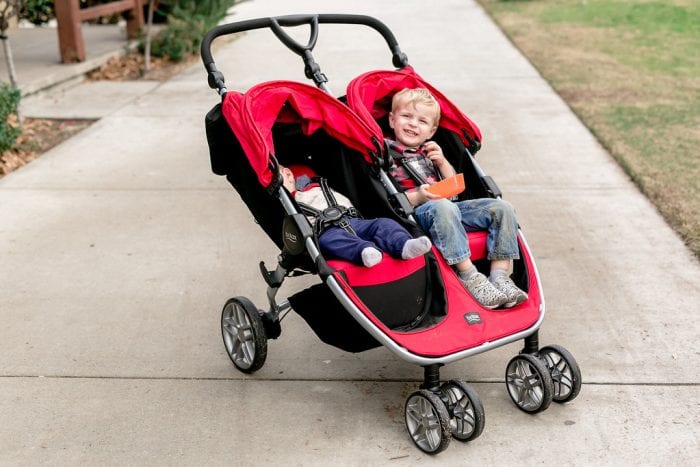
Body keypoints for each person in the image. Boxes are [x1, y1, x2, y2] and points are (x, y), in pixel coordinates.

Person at [386, 88, 528, 309]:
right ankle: (470, 276)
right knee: (442, 206)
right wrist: (419, 196)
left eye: (422, 121)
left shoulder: (430, 151)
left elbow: (453, 190)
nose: (413, 124)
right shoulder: (385, 153)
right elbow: (391, 200)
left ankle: (499, 276)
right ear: (392, 119)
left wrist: (442, 162)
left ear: (431, 131)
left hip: (451, 208)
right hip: (419, 214)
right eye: (406, 117)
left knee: (502, 208)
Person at [280, 165, 432, 267]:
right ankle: (364, 251)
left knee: (383, 223)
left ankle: (404, 245)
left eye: (278, 180)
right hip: (326, 230)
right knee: (329, 241)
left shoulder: (313, 185)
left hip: (353, 219)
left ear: (288, 174)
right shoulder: (287, 205)